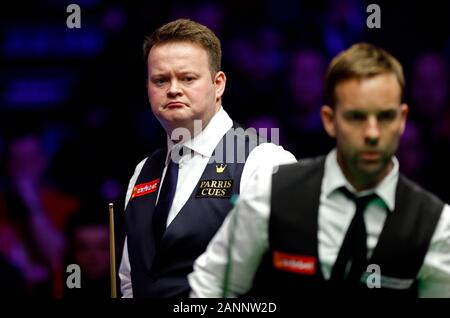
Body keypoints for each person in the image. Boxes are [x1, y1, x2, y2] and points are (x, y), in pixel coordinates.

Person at [188, 43, 450, 297]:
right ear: (329, 121)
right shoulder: (270, 192)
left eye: (385, 116)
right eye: (355, 117)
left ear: (402, 119)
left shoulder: (436, 223)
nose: (372, 133)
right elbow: (212, 285)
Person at [118, 18, 295, 298]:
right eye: (160, 80)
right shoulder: (143, 172)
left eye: (187, 78)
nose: (173, 89)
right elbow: (131, 281)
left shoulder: (263, 162)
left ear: (218, 84)